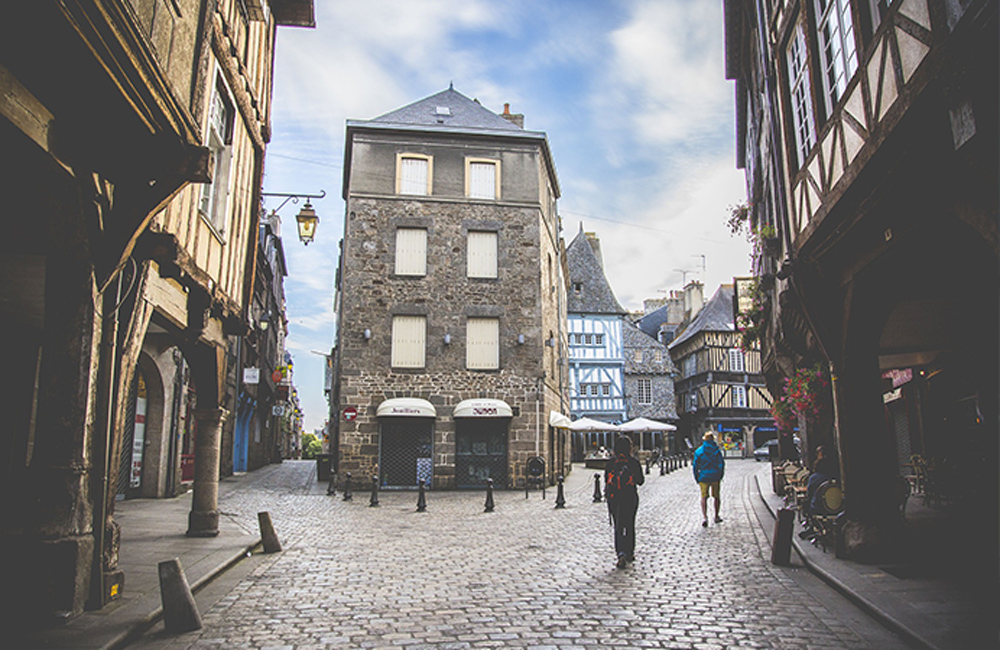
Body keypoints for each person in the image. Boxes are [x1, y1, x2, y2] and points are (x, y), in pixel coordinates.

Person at [604, 435, 644, 568]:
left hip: (614, 498)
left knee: (618, 526)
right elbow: (640, 481)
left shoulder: (611, 463)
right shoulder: (633, 462)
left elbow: (606, 480)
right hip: (629, 497)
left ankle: (620, 553)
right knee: (629, 524)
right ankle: (630, 552)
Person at [800, 445, 837, 538]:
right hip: (836, 507)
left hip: (819, 508)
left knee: (807, 504)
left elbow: (809, 494)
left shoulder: (814, 478)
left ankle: (812, 527)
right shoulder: (835, 477)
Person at [693, 431, 725, 527]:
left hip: (703, 477)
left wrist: (697, 477)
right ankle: (716, 516)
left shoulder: (699, 451)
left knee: (704, 497)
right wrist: (720, 475)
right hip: (715, 476)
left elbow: (695, 466)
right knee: (716, 497)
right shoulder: (717, 451)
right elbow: (721, 464)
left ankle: (705, 517)